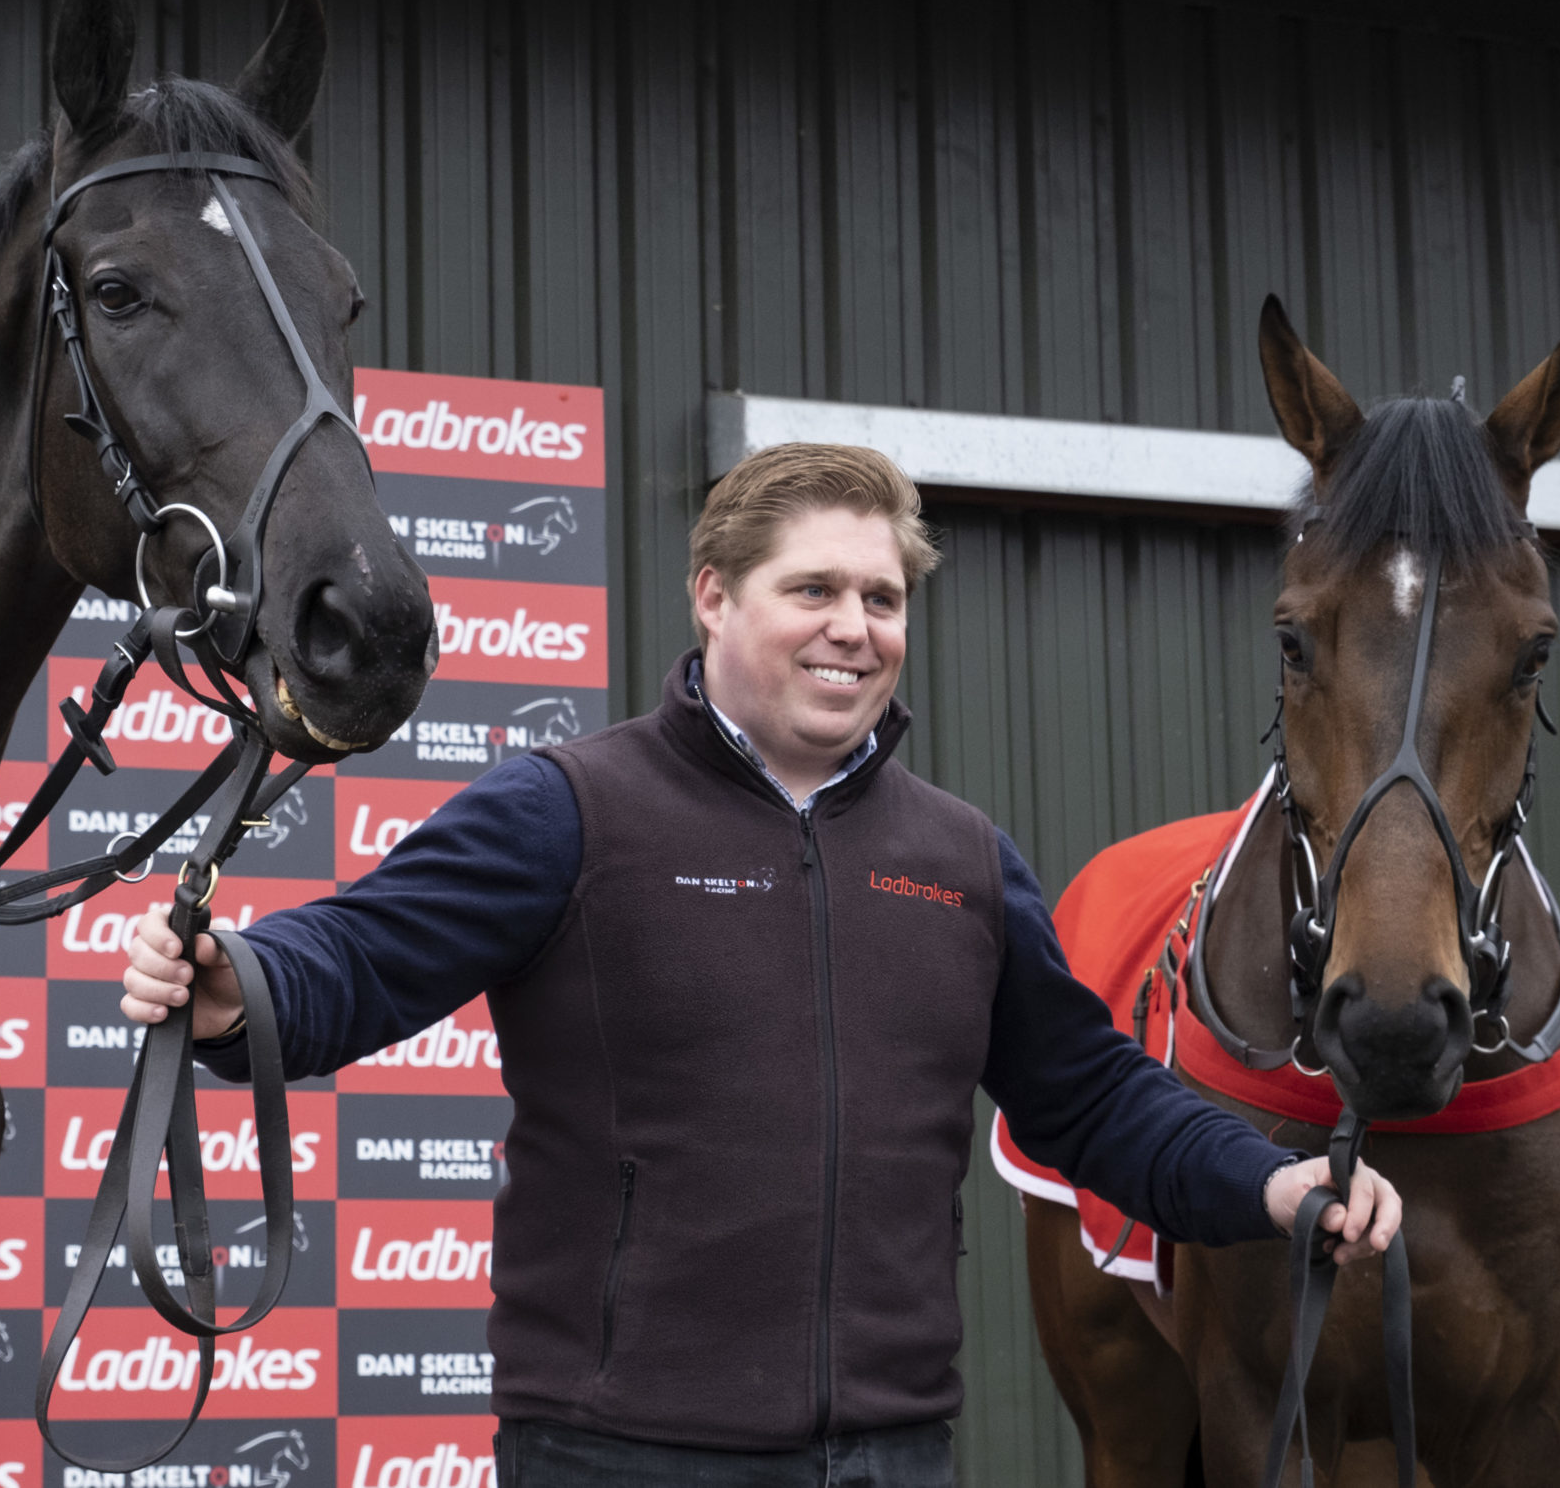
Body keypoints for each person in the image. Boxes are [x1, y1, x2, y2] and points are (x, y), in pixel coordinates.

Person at [121, 443, 1400, 1488]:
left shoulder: (960, 858)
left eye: (882, 598)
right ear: (714, 596)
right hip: (619, 1455)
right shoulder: (569, 809)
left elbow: (1092, 1098)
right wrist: (246, 980)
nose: (855, 628)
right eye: (814, 590)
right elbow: (362, 949)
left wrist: (1273, 1186)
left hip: (891, 1456)